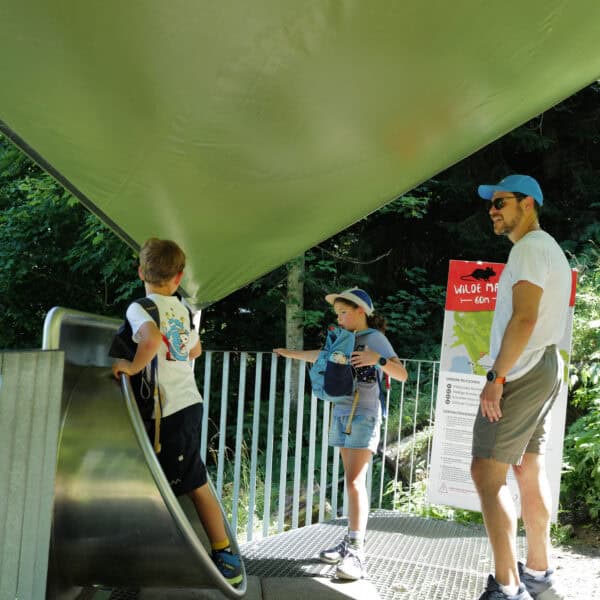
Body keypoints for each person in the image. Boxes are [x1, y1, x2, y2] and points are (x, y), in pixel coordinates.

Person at [112, 238, 242, 586]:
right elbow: (195, 349)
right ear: (178, 277)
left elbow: (151, 340)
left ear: (141, 272)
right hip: (188, 403)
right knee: (183, 478)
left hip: (169, 409)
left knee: (193, 482)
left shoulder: (140, 307)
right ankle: (206, 548)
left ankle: (224, 551)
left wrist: (132, 366)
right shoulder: (181, 309)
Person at [471, 175, 570, 600]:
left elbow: (525, 318)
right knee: (527, 468)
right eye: (491, 204)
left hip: (522, 368)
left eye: (501, 202)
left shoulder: (529, 249)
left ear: (528, 203)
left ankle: (507, 586)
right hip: (545, 363)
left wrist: (497, 378)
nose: (493, 210)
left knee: (486, 472)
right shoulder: (550, 249)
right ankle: (539, 573)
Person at [274, 287, 408, 580]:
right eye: (338, 314)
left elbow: (402, 374)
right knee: (351, 481)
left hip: (365, 415)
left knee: (355, 482)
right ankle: (350, 540)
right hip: (342, 414)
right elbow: (322, 357)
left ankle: (357, 552)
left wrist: (379, 360)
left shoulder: (375, 339)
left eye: (344, 313)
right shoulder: (343, 339)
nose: (340, 318)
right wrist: (289, 353)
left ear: (361, 312)